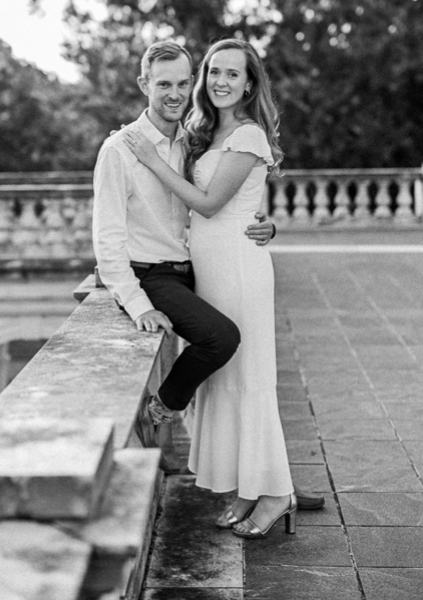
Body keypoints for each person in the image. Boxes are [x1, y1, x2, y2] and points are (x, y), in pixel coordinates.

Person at [124, 38, 300, 539]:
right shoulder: (201, 130)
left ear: (249, 83)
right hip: (209, 270)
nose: (220, 81)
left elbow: (208, 204)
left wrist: (152, 161)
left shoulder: (248, 136)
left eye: (232, 74)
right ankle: (247, 487)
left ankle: (275, 493)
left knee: (251, 380)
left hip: (240, 268)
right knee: (226, 381)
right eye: (214, 71)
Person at [92, 40, 274, 452]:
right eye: (162, 84)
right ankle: (157, 411)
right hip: (152, 275)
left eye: (181, 83)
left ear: (192, 82)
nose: (174, 94)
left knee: (249, 368)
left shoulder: (192, 141)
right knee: (221, 338)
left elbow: (227, 194)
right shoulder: (120, 150)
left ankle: (263, 472)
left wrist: (263, 224)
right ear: (144, 84)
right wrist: (139, 306)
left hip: (193, 267)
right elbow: (107, 239)